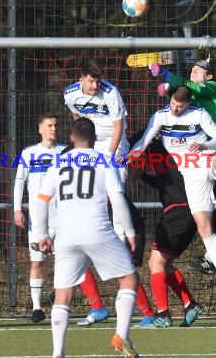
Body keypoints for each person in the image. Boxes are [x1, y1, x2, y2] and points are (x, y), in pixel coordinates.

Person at [130, 85, 216, 304]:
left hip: (203, 156)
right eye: (173, 104)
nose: (175, 109)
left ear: (188, 104)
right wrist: (129, 157)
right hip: (190, 175)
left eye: (180, 106)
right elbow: (144, 140)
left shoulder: (199, 113)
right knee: (205, 227)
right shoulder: (161, 116)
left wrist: (204, 143)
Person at [34, 117, 141, 358]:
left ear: (71, 138)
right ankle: (121, 336)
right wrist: (131, 233)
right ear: (95, 139)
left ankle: (57, 353)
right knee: (128, 279)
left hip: (66, 236)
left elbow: (41, 202)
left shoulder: (58, 162)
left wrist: (43, 234)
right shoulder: (103, 160)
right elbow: (118, 199)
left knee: (63, 294)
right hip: (98, 231)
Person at [64, 59, 154, 326]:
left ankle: (125, 235)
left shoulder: (111, 92)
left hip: (113, 149)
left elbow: (117, 129)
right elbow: (77, 120)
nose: (95, 86)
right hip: (90, 146)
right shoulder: (70, 93)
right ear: (81, 78)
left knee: (113, 208)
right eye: (90, 81)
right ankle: (98, 306)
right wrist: (84, 149)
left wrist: (108, 159)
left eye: (97, 81)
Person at [149, 60, 216, 280]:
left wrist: (166, 74)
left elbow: (189, 88)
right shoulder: (194, 97)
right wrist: (167, 90)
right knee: (206, 210)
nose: (192, 72)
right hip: (203, 155)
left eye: (197, 71)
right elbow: (180, 101)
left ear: (209, 77)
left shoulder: (212, 89)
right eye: (191, 70)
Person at [131, 136, 204, 328]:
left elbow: (133, 168)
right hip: (187, 211)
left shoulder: (153, 148)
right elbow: (164, 181)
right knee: (165, 264)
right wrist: (145, 176)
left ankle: (163, 314)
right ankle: (190, 304)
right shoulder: (172, 153)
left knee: (155, 263)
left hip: (178, 211)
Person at [13, 114, 65, 323]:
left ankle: (58, 296)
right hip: (37, 220)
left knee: (63, 261)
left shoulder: (65, 152)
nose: (53, 128)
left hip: (62, 219)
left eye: (55, 125)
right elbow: (19, 182)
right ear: (40, 130)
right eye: (49, 125)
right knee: (37, 262)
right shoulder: (29, 153)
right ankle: (37, 307)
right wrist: (17, 210)